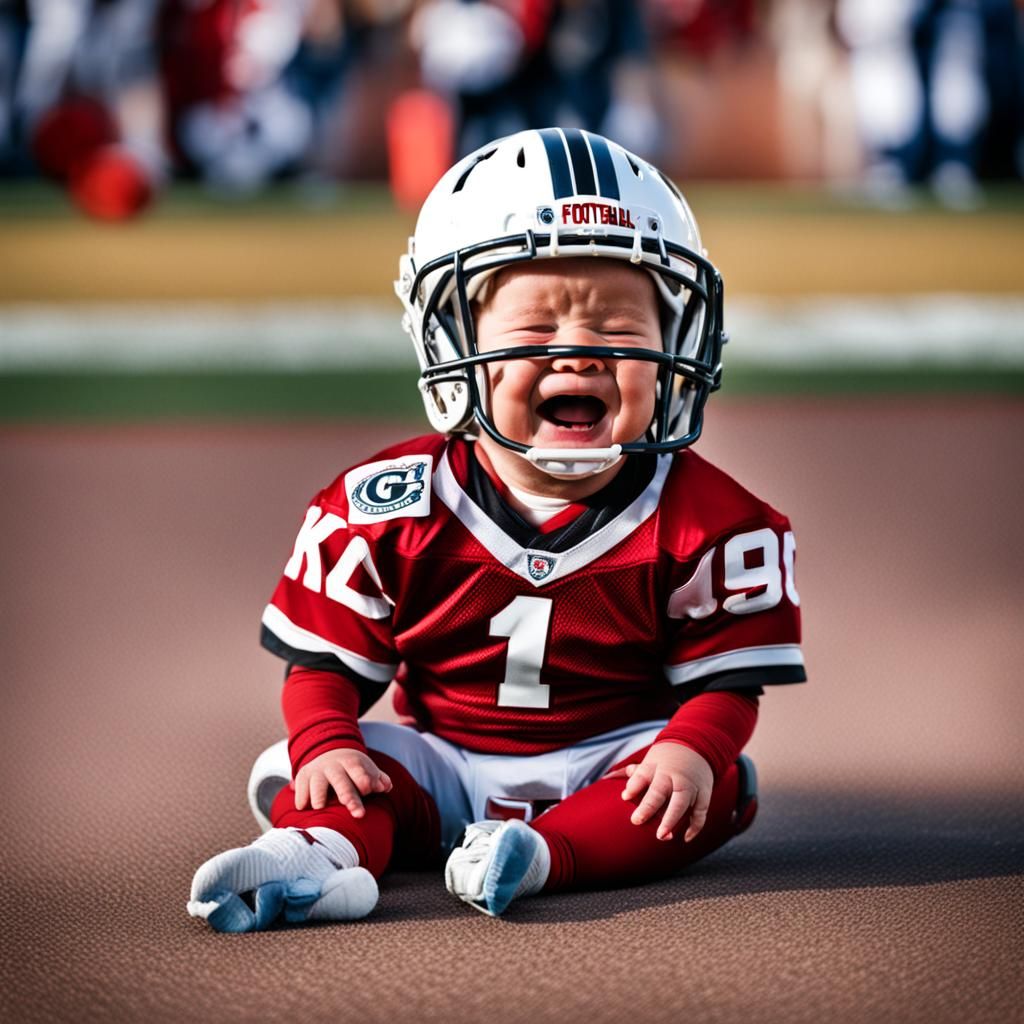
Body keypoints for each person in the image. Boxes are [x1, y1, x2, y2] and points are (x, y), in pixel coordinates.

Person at [187, 127, 806, 931]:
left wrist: (693, 748)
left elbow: (727, 688)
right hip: (440, 762)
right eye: (533, 329)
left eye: (621, 331)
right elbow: (322, 673)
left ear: (677, 342)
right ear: (454, 342)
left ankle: (539, 858)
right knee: (312, 763)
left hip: (609, 762)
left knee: (709, 783)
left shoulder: (711, 521)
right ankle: (323, 862)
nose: (579, 352)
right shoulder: (388, 505)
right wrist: (328, 741)